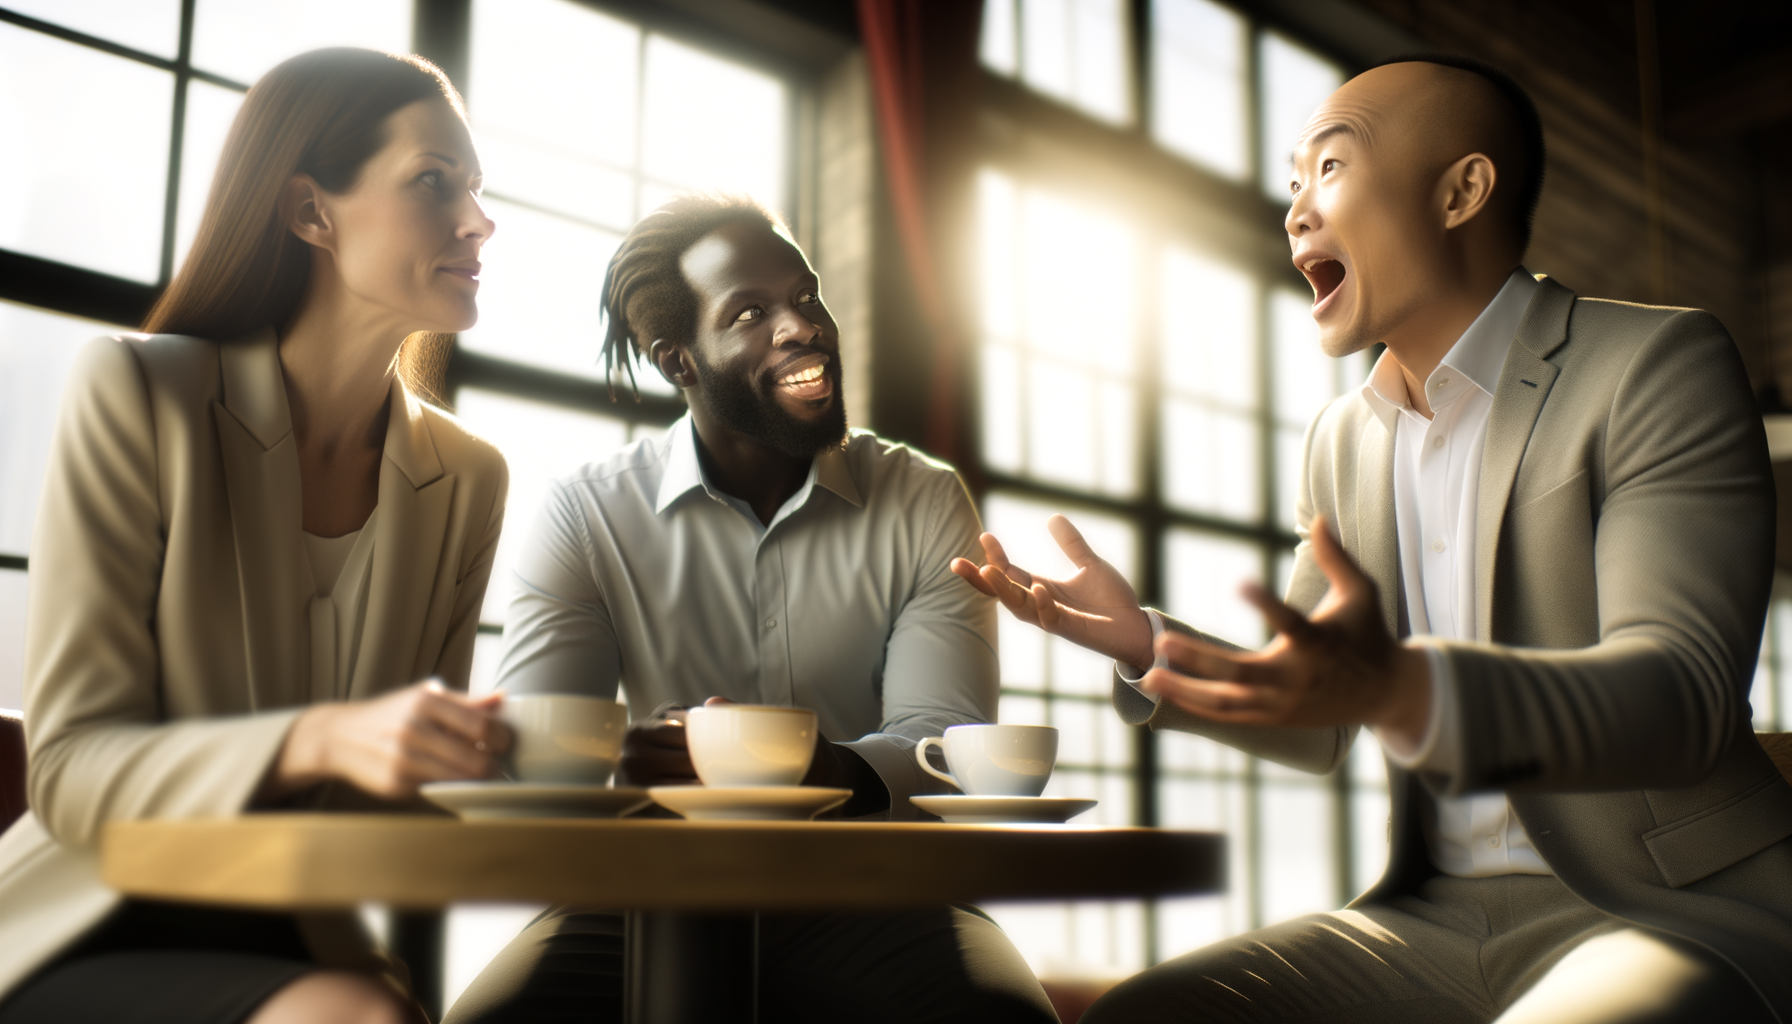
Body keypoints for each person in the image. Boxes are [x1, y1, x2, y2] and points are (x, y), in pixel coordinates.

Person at [955, 55, 1792, 1023]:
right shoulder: (1342, 439)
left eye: (1331, 168)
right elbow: (1316, 715)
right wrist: (1148, 646)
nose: (1295, 211)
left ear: (1460, 192)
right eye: (1291, 182)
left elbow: (1679, 698)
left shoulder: (1652, 364)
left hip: (1665, 911)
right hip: (1430, 919)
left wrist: (1414, 686)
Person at [445, 193, 1057, 1024]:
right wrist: (634, 760)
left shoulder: (923, 498)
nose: (801, 326)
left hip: (884, 895)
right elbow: (547, 758)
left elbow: (943, 744)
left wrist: (827, 770)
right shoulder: (585, 515)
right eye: (750, 312)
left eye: (806, 297)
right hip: (637, 893)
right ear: (680, 362)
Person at [0, 48, 510, 1024]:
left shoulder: (469, 478)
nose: (479, 220)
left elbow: (405, 797)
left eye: (477, 189)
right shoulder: (138, 396)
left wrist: (536, 759)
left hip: (300, 942)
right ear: (311, 212)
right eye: (433, 182)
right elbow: (66, 769)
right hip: (84, 930)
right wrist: (320, 738)